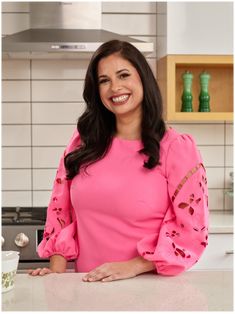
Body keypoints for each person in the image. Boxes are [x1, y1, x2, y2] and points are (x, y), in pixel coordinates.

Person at [28, 40, 209, 282]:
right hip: (87, 293)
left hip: (149, 294)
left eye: (123, 75)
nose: (115, 87)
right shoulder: (83, 142)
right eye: (104, 80)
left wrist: (133, 266)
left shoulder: (177, 148)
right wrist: (56, 274)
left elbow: (192, 232)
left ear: (143, 79)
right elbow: (60, 213)